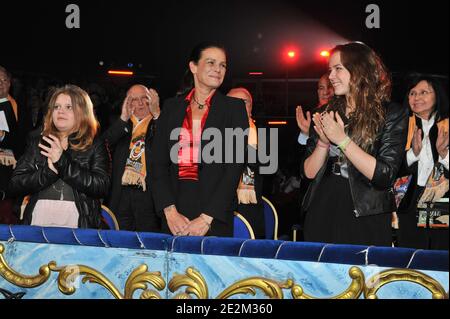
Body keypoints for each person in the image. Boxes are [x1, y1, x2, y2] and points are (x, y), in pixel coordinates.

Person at [300, 42, 409, 246]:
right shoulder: (326, 111)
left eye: (338, 69)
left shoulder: (392, 113)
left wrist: (342, 140)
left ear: (360, 70)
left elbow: (384, 175)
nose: (331, 76)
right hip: (324, 204)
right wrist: (323, 144)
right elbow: (307, 173)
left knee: (362, 275)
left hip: (366, 212)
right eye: (330, 70)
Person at [150, 42, 249, 237]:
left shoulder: (234, 109)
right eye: (211, 62)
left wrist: (207, 218)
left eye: (223, 65)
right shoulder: (171, 107)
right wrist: (169, 212)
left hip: (214, 217)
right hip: (173, 217)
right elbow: (157, 164)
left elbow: (233, 169)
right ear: (193, 67)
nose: (218, 69)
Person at [9, 85, 110, 228]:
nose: (60, 111)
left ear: (82, 111)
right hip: (39, 219)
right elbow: (15, 184)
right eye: (56, 107)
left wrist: (61, 162)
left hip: (79, 223)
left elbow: (101, 186)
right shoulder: (39, 142)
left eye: (69, 107)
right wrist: (47, 174)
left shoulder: (94, 144)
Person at [397, 75, 449, 250]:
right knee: (411, 251)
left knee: (438, 251)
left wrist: (444, 156)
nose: (416, 97)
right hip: (410, 195)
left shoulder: (447, 125)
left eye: (423, 92)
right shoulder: (401, 125)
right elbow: (391, 166)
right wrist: (413, 153)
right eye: (412, 93)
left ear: (437, 96)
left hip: (439, 195)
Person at [102, 84, 161, 232]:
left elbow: (169, 145)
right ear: (128, 103)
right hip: (121, 195)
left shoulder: (160, 123)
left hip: (150, 196)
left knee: (149, 245)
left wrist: (158, 115)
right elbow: (102, 147)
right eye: (135, 100)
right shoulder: (121, 125)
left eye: (144, 98)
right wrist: (123, 119)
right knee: (120, 242)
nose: (140, 104)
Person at [227, 87, 265, 238]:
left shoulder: (263, 134)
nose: (239, 107)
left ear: (251, 107)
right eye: (233, 102)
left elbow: (267, 167)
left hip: (250, 209)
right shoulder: (211, 135)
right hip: (219, 211)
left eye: (244, 102)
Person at [0, 66, 18, 224]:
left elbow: (16, 139)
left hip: (6, 174)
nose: (0, 83)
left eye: (4, 80)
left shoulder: (14, 105)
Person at [296, 74, 334, 145]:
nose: (325, 92)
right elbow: (303, 146)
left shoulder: (343, 112)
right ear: (318, 92)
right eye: (322, 88)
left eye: (330, 87)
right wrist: (306, 133)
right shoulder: (312, 115)